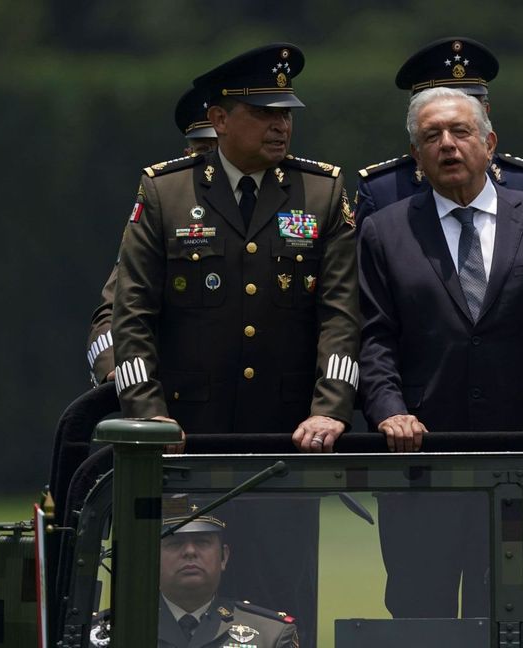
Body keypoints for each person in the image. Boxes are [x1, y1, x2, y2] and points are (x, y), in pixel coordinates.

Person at [358, 87, 523, 627]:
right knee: (421, 614)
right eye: (431, 137)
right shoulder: (384, 231)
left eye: (461, 132)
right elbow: (374, 339)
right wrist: (388, 411)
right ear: (416, 159)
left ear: (490, 143)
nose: (447, 145)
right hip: (420, 464)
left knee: (520, 612)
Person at [111, 43, 360, 451]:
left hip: (293, 432)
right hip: (185, 428)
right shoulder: (166, 192)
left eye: (286, 113)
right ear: (219, 120)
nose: (281, 125)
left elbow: (341, 317)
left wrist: (330, 408)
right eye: (264, 113)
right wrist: (147, 414)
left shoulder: (321, 193)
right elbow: (132, 316)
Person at [86, 86, 218, 386]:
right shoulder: (165, 213)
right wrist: (116, 367)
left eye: (221, 151)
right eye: (203, 151)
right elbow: (115, 309)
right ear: (188, 156)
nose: (212, 165)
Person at [354, 36, 523, 228]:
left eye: (460, 126)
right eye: (435, 126)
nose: (447, 142)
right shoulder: (384, 192)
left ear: (485, 114)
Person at [88, 506, 299, 648]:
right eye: (175, 543)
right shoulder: (107, 634)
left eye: (202, 542)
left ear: (223, 557)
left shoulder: (270, 634)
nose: (189, 551)